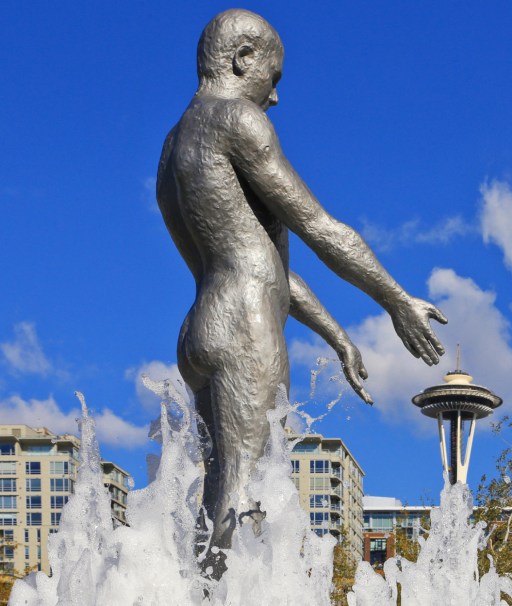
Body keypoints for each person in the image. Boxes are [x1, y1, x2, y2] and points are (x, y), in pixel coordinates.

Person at [156, 9, 447, 576]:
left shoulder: (172, 148)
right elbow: (319, 226)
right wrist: (396, 299)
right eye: (275, 76)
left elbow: (261, 262)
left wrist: (337, 337)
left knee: (220, 494)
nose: (276, 97)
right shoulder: (237, 119)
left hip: (200, 327)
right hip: (244, 325)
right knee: (248, 493)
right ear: (243, 59)